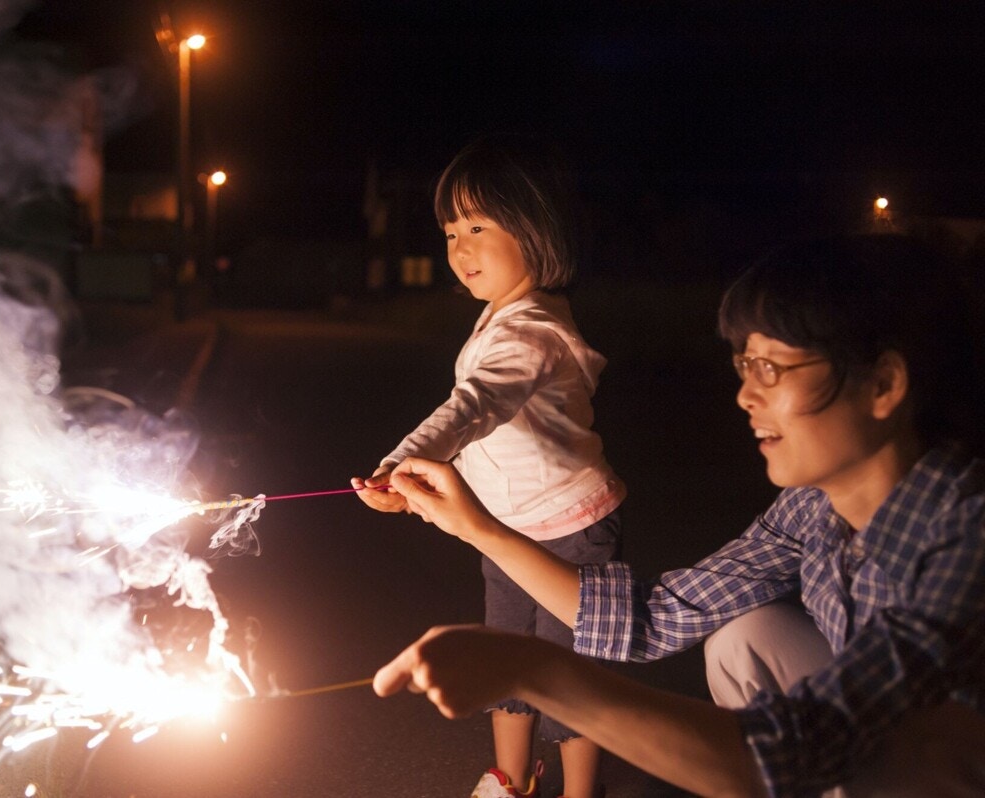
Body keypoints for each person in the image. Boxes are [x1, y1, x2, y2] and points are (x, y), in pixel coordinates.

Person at [373, 234, 985, 797]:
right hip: (875, 739)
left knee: (915, 746)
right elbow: (653, 617)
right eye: (744, 365)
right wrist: (474, 525)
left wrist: (535, 671)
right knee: (746, 638)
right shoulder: (811, 510)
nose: (747, 395)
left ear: (883, 384)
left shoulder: (966, 531)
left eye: (771, 368)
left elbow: (806, 742)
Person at [352, 135, 625, 798]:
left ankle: (579, 793)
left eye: (478, 226)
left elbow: (473, 406)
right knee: (506, 656)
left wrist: (406, 461)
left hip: (571, 530)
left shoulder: (530, 331)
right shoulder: (501, 317)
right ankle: (510, 779)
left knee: (570, 671)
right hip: (502, 529)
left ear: (535, 230)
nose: (459, 247)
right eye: (450, 231)